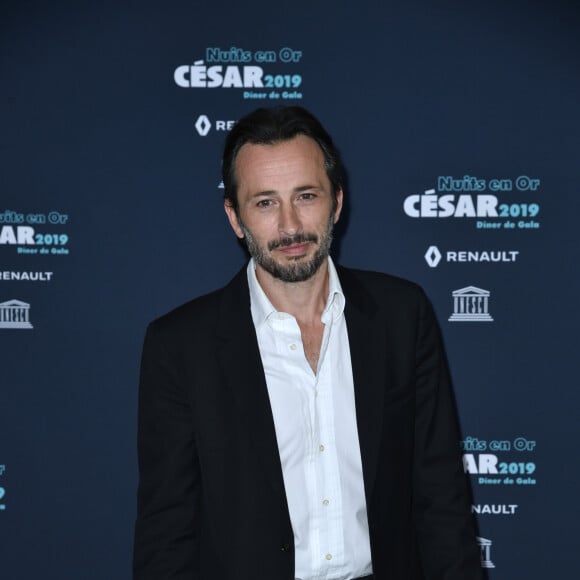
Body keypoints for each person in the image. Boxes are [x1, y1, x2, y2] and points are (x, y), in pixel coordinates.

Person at [133, 106, 483, 580]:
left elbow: (443, 501)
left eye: (306, 195)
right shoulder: (180, 347)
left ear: (337, 201)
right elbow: (167, 534)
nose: (291, 225)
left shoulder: (403, 316)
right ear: (234, 218)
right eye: (265, 203)